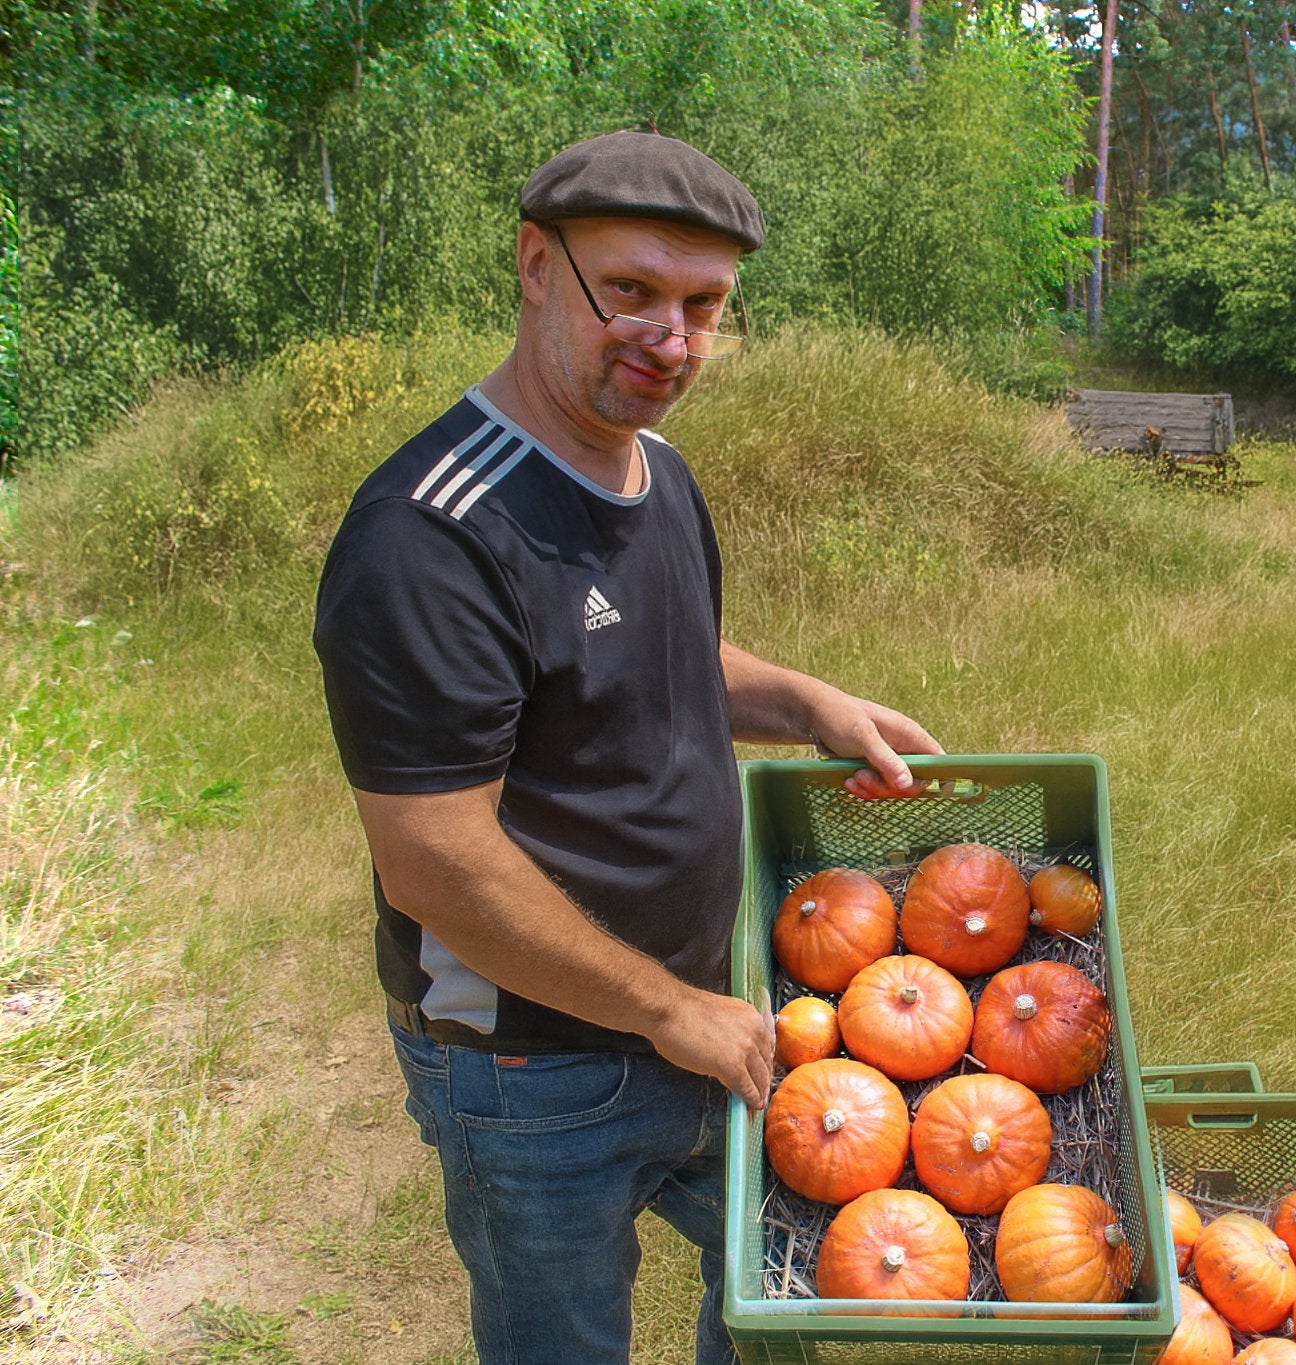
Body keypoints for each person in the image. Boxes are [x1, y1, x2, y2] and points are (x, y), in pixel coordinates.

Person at [311, 128, 940, 1365]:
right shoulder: (427, 540)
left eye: (705, 306)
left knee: (781, 1290)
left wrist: (806, 702)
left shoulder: (653, 469)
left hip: (704, 1011)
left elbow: (657, 658)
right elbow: (432, 862)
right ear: (536, 266)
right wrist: (666, 1012)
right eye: (634, 293)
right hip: (534, 1072)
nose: (671, 339)